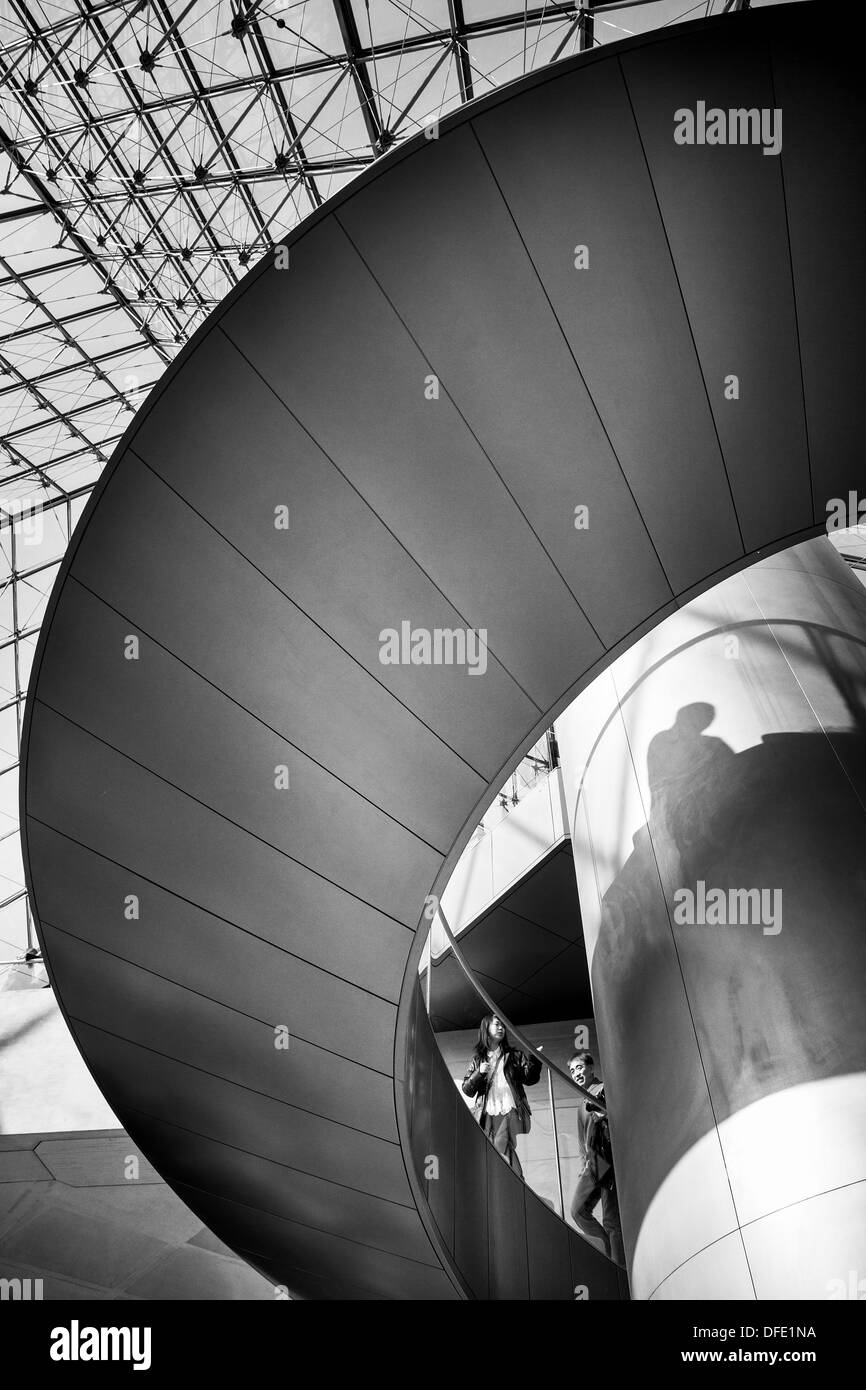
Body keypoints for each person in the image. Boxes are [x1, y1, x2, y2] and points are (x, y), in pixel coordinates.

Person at [462, 1013, 542, 1177]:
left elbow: (530, 1079)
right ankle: (518, 1180)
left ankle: (515, 1181)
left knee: (500, 1143)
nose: (501, 1028)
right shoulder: (478, 1059)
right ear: (486, 1028)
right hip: (488, 1112)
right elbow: (467, 1090)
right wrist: (479, 1073)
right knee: (501, 1147)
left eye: (503, 1025)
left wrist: (534, 1059)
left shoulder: (514, 1056)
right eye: (497, 1024)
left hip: (510, 1109)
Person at [568, 1050, 625, 1267]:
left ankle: (618, 1266)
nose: (576, 1073)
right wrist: (583, 1164)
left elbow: (616, 1116)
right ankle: (608, 1254)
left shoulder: (603, 1090)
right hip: (593, 1164)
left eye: (579, 1067)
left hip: (608, 1159)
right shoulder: (581, 1102)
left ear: (591, 1068)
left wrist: (604, 1112)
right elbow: (582, 1139)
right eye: (572, 1070)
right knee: (578, 1210)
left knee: (611, 1220)